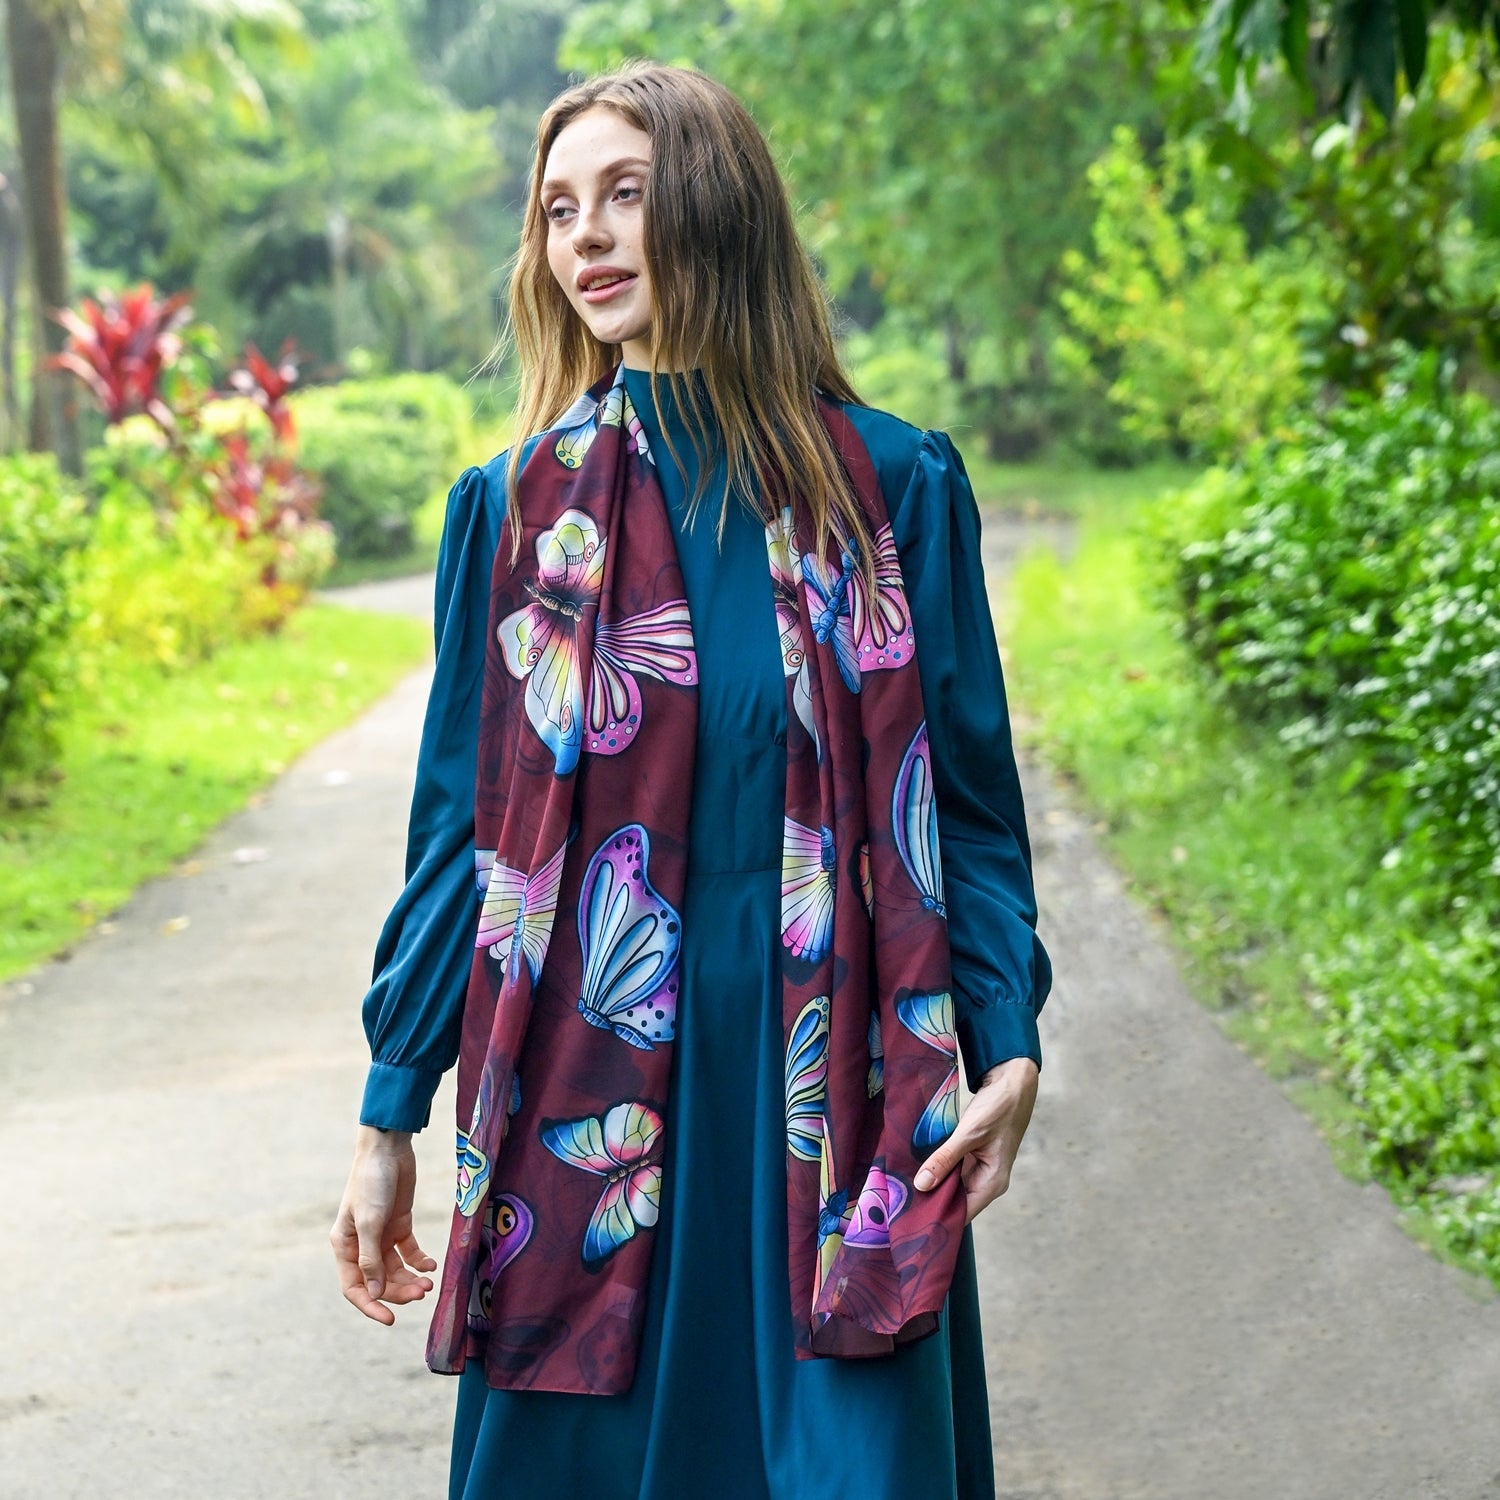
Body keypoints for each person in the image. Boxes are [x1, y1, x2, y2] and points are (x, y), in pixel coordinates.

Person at [331, 61, 1052, 1500]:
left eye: (625, 195)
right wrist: (389, 1107)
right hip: (582, 1094)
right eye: (557, 210)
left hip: (840, 1079)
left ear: (718, 210)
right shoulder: (515, 513)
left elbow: (966, 813)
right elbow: (463, 840)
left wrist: (1007, 1039)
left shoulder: (894, 489)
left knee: (850, 1464)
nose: (586, 237)